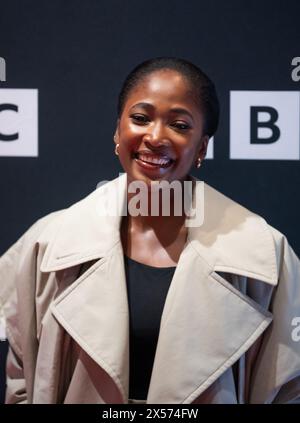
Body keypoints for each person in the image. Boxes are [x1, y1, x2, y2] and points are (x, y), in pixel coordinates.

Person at [0, 57, 300, 404]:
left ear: (201, 147)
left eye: (179, 124)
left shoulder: (265, 254)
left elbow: (287, 387)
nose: (155, 137)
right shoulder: (50, 243)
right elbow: (23, 373)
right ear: (117, 131)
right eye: (140, 118)